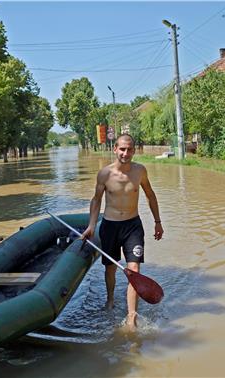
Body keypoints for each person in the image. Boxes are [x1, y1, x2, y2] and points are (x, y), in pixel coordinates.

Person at [81, 134, 163, 329]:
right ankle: (110, 300)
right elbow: (96, 199)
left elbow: (151, 195)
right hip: (110, 226)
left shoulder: (140, 171)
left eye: (130, 149)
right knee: (110, 268)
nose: (126, 153)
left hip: (133, 226)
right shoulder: (105, 174)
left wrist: (158, 222)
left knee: (133, 270)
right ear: (115, 149)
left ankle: (131, 315)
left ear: (134, 151)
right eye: (122, 149)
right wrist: (92, 225)